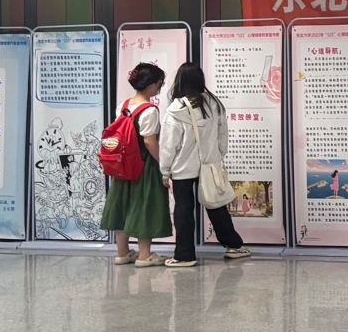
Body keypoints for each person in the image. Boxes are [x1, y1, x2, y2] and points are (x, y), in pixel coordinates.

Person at [159, 61, 251, 266]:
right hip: (209, 165)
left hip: (182, 168)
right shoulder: (214, 104)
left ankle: (184, 256)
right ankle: (234, 246)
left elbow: (168, 145)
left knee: (183, 210)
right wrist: (217, 156)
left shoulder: (176, 109)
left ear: (180, 81)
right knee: (216, 206)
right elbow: (222, 136)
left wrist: (165, 171)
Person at [104, 63, 172, 266]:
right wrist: (164, 163)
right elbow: (149, 141)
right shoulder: (149, 110)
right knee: (144, 205)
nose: (160, 87)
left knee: (122, 205)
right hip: (144, 165)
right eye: (159, 83)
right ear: (150, 85)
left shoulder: (123, 105)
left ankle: (122, 252)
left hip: (123, 163)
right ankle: (144, 254)